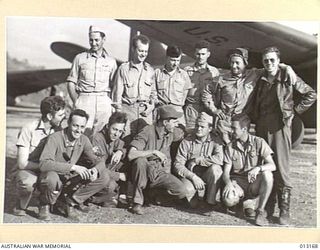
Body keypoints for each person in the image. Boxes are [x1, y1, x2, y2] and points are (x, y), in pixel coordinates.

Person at [250, 46, 317, 225]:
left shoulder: (287, 76)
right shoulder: (260, 78)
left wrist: (294, 112)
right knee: (265, 166)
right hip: (262, 128)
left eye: (272, 60)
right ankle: (265, 209)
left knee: (281, 168)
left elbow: (311, 94)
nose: (269, 63)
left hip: (281, 128)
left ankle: (284, 211)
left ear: (278, 61)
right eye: (266, 60)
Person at [202, 48, 295, 145]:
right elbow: (206, 92)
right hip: (224, 121)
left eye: (237, 63)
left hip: (242, 122)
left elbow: (271, 66)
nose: (234, 66)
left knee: (240, 151)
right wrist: (214, 110)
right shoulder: (221, 79)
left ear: (245, 63)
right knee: (222, 150)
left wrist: (287, 67)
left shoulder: (254, 74)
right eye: (232, 63)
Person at [38, 109, 110, 221]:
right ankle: (45, 203)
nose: (78, 130)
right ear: (68, 123)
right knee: (51, 178)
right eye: (75, 126)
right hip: (54, 176)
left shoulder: (84, 139)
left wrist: (95, 170)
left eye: (82, 127)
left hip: (68, 179)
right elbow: (44, 164)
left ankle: (70, 202)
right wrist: (73, 167)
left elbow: (99, 161)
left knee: (104, 176)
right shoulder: (55, 138)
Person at [127, 105, 188, 215]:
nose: (176, 125)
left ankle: (152, 194)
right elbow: (131, 154)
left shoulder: (170, 132)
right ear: (165, 123)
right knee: (140, 161)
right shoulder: (147, 131)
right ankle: (137, 203)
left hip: (159, 172)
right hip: (144, 172)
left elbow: (183, 134)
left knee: (181, 191)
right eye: (174, 122)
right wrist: (153, 152)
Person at [12, 96, 66, 216]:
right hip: (29, 168)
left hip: (47, 169)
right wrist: (44, 166)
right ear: (49, 116)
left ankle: (44, 203)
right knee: (27, 182)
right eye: (61, 115)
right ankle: (21, 203)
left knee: (53, 180)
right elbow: (22, 163)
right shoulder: (28, 128)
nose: (64, 118)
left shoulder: (58, 130)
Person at [222, 113, 276, 226]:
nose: (231, 131)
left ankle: (260, 211)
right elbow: (226, 172)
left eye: (234, 128)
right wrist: (228, 184)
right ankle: (242, 203)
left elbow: (272, 165)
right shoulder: (230, 146)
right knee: (229, 199)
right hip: (238, 183)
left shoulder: (259, 142)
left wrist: (258, 168)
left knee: (268, 175)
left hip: (253, 183)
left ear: (244, 129)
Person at [67, 25, 117, 135]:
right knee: (82, 133)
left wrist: (110, 103)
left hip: (104, 100)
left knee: (101, 134)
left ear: (104, 40)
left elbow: (114, 85)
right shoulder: (80, 58)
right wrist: (77, 101)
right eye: (91, 40)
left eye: (97, 40)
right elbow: (71, 82)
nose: (93, 43)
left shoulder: (111, 62)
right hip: (85, 99)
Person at [173, 112, 223, 208]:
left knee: (216, 169)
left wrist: (198, 160)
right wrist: (193, 177)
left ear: (210, 129)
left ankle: (210, 201)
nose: (198, 129)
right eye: (197, 125)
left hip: (206, 174)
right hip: (190, 175)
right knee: (189, 199)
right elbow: (177, 164)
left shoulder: (216, 140)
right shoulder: (187, 141)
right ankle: (194, 196)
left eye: (202, 127)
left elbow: (219, 159)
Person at [111, 34, 156, 140]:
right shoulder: (124, 69)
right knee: (125, 142)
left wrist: (152, 105)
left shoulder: (150, 70)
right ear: (133, 49)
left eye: (146, 51)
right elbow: (116, 96)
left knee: (144, 143)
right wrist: (119, 118)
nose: (143, 54)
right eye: (141, 51)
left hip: (145, 114)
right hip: (128, 113)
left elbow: (153, 93)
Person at [91, 112, 128, 206]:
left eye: (120, 131)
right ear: (108, 126)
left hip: (107, 171)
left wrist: (120, 151)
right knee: (111, 186)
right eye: (114, 129)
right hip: (94, 173)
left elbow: (123, 145)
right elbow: (99, 168)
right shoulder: (97, 139)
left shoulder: (114, 139)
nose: (116, 134)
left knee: (127, 163)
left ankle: (114, 196)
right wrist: (118, 176)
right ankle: (93, 199)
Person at [184, 40, 219, 132]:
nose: (200, 57)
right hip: (191, 109)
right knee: (190, 133)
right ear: (194, 54)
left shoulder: (214, 72)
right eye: (198, 54)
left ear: (208, 54)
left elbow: (216, 92)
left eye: (203, 54)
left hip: (207, 109)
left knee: (206, 135)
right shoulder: (187, 71)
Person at [155, 45, 192, 126]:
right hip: (162, 112)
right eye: (172, 60)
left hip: (177, 113)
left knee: (179, 135)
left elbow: (185, 95)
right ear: (167, 57)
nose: (175, 64)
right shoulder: (157, 73)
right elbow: (153, 92)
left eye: (178, 60)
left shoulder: (184, 75)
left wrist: (178, 105)